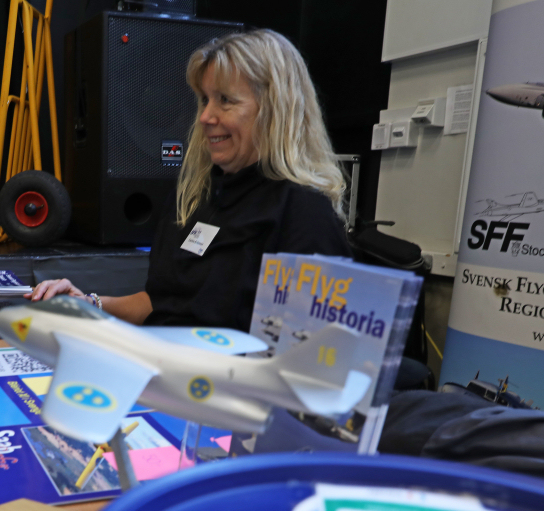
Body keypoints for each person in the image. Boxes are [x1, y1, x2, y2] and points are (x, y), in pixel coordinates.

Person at [27, 29, 351, 331]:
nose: (206, 117)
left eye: (225, 100)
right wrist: (89, 303)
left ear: (275, 109)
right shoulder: (197, 195)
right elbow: (161, 301)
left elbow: (309, 352)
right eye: (205, 100)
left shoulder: (305, 215)